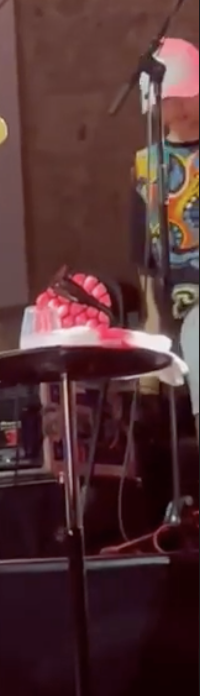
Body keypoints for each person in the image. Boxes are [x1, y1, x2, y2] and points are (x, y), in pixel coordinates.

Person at [131, 37, 199, 433]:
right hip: (185, 312)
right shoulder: (147, 169)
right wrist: (152, 330)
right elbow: (145, 266)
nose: (185, 103)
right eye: (176, 96)